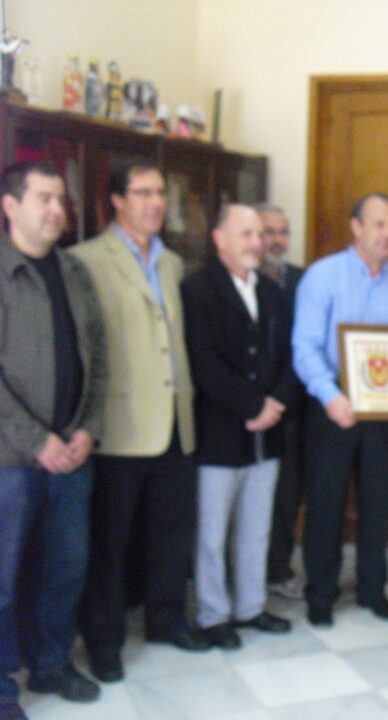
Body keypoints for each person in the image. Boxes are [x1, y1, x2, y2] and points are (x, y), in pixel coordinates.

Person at [71, 160, 211, 684]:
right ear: (117, 200)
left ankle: (166, 619)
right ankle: (104, 642)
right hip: (120, 426)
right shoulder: (85, 261)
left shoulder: (173, 263)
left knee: (171, 532)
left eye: (160, 193)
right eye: (143, 192)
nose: (156, 202)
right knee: (110, 543)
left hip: (177, 421)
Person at [293, 192, 388, 627]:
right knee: (326, 503)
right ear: (356, 227)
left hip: (384, 412)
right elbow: (304, 347)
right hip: (332, 406)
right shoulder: (322, 277)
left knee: (377, 503)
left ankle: (374, 589)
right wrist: (329, 396)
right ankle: (321, 593)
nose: (387, 234)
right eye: (378, 224)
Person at [0, 162, 106, 719]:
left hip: (74, 453)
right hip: (10, 459)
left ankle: (51, 663)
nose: (57, 210)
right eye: (44, 199)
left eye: (60, 200)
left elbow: (98, 357)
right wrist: (36, 440)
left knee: (65, 567)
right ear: (11, 206)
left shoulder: (74, 271)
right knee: (3, 577)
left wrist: (87, 427)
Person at [181, 204, 296, 649]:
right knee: (211, 534)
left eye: (258, 234)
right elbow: (204, 363)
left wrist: (277, 403)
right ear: (219, 238)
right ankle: (213, 614)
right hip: (218, 434)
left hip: (268, 434)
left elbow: (290, 356)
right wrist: (252, 404)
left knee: (256, 528)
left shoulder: (271, 291)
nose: (255, 243)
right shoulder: (198, 289)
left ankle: (250, 606)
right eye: (245, 234)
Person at [255, 202, 308, 601]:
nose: (276, 240)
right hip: (248, 407)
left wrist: (283, 395)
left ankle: (277, 568)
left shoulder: (303, 280)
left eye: (282, 231)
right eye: (267, 231)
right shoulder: (238, 279)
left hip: (293, 406)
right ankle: (240, 571)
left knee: (287, 495)